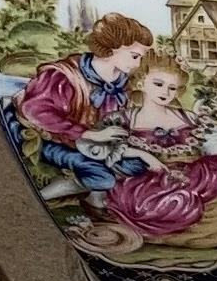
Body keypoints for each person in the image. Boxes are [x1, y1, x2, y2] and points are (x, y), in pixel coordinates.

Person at [99, 54, 217, 240]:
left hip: (193, 172)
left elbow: (214, 140)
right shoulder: (124, 119)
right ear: (140, 82)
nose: (166, 92)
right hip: (149, 178)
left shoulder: (187, 117)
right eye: (158, 84)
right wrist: (144, 156)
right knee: (168, 203)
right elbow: (107, 149)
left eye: (172, 88)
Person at [14, 13, 153, 194]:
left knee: (137, 167)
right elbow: (37, 111)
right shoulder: (65, 75)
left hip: (98, 145)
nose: (138, 63)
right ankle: (47, 195)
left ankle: (92, 190)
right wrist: (88, 134)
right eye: (135, 56)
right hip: (55, 141)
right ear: (112, 49)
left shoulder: (121, 82)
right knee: (102, 177)